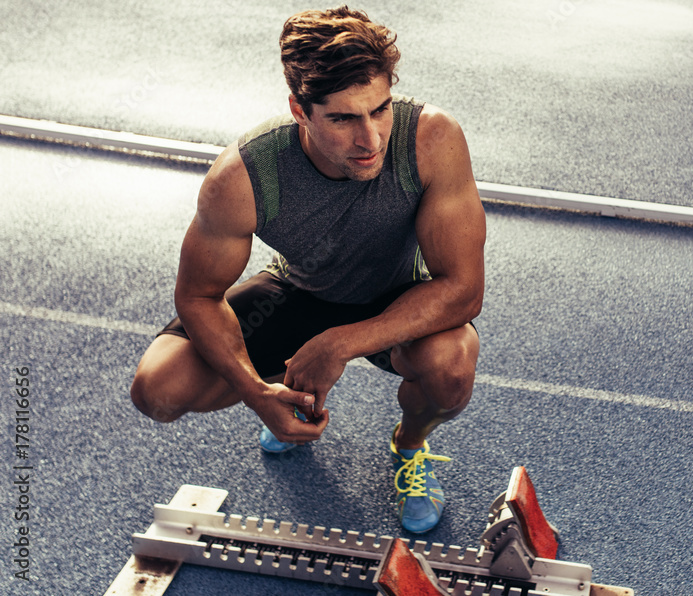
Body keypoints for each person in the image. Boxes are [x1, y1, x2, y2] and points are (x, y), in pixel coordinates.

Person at [129, 6, 485, 534]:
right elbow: (200, 296)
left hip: (396, 297)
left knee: (451, 367)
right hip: (294, 292)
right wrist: (256, 394)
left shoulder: (431, 139)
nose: (371, 139)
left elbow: (461, 291)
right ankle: (287, 391)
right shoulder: (244, 176)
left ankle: (408, 447)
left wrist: (338, 344)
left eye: (380, 109)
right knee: (157, 388)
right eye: (343, 118)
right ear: (300, 109)